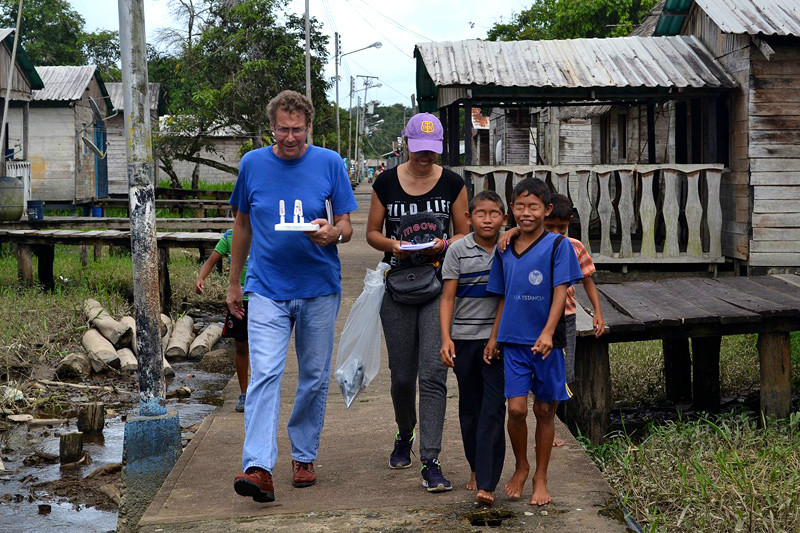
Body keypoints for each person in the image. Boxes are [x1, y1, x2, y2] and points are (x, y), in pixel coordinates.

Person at [228, 90, 358, 504]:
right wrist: (235, 282)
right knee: (265, 372)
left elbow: (346, 225)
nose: (289, 137)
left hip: (319, 286)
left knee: (314, 376)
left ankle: (303, 456)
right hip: (266, 287)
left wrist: (331, 233)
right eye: (282, 129)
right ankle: (259, 466)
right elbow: (242, 226)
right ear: (271, 128)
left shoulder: (329, 162)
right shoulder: (252, 164)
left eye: (296, 130)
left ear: (309, 128)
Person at [366, 112, 469, 492]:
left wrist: (444, 244)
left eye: (431, 151)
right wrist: (395, 244)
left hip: (438, 287)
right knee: (402, 376)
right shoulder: (386, 182)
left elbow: (464, 232)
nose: (424, 157)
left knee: (433, 374)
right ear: (406, 144)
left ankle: (431, 459)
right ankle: (404, 431)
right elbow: (372, 233)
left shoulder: (454, 183)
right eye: (418, 149)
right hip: (396, 287)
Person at [484, 178, 582, 506]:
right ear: (511, 210)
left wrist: (548, 332)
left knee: (544, 409)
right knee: (515, 409)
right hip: (513, 341)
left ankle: (541, 476)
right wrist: (494, 337)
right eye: (520, 206)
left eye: (534, 207)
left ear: (547, 209)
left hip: (546, 344)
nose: (526, 213)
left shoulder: (558, 246)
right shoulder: (504, 247)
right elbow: (502, 297)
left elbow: (560, 291)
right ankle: (521, 465)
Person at [439, 190, 507, 504]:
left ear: (504, 219)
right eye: (481, 213)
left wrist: (495, 339)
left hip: (497, 344)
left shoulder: (509, 248)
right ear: (469, 218)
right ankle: (476, 468)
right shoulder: (457, 251)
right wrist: (445, 338)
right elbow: (448, 298)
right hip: (464, 340)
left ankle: (488, 483)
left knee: (493, 409)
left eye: (494, 213)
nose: (487, 219)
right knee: (469, 409)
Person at [543, 194, 605, 384]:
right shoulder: (534, 246)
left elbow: (588, 281)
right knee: (541, 369)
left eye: (561, 229)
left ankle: (559, 405)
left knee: (564, 370)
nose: (555, 233)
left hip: (566, 316)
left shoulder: (575, 246)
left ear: (569, 222)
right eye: (549, 227)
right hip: (538, 314)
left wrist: (598, 312)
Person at [195, 221, 250, 413]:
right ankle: (244, 393)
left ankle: (261, 391)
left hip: (263, 298)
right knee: (241, 346)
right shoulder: (229, 237)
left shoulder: (263, 232)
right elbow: (211, 261)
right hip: (238, 301)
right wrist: (201, 278)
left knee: (262, 348)